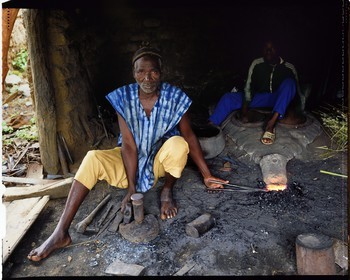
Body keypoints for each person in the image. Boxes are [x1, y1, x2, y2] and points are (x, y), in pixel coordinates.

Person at [27, 45, 228, 262]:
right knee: (92, 158)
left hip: (159, 160)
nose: (147, 78)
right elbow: (129, 146)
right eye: (141, 71)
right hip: (129, 159)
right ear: (134, 73)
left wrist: (206, 175)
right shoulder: (123, 97)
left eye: (153, 72)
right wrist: (131, 189)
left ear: (161, 72)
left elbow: (189, 136)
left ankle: (167, 190)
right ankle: (60, 233)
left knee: (178, 144)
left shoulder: (175, 97)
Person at [209, 39, 302, 145]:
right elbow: (248, 87)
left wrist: (298, 110)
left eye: (272, 48)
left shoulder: (289, 68)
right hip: (259, 98)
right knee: (228, 97)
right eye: (266, 48)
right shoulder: (257, 64)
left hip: (279, 99)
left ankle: (271, 123)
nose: (268, 51)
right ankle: (211, 126)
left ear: (278, 50)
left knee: (290, 83)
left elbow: (296, 92)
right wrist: (245, 109)